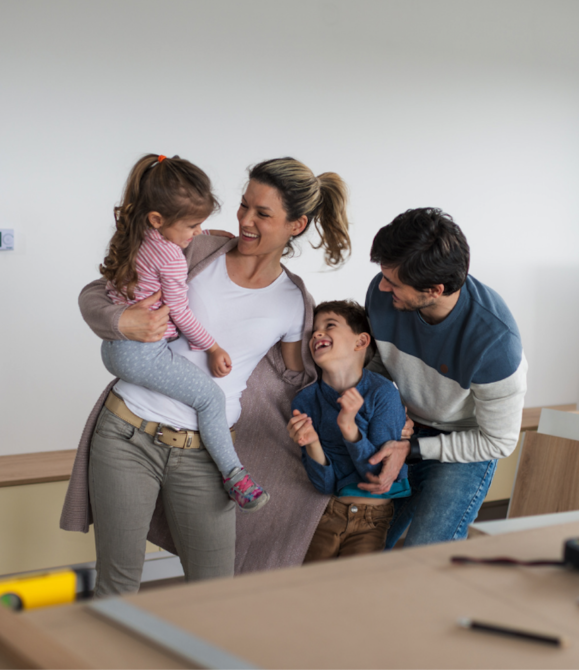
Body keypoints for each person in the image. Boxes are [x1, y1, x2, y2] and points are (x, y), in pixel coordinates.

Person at [60, 157, 352, 596]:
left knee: (215, 593)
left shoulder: (294, 302)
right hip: (126, 433)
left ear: (296, 225)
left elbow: (296, 382)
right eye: (243, 205)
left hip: (206, 454)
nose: (244, 221)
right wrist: (124, 323)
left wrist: (362, 398)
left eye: (262, 213)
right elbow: (94, 295)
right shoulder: (196, 250)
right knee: (117, 585)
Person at [99, 153, 266, 511]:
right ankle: (235, 476)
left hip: (115, 345)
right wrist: (212, 347)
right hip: (140, 352)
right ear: (159, 219)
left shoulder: (136, 229)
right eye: (192, 227)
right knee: (211, 400)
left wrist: (204, 233)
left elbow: (170, 235)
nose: (194, 234)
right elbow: (180, 311)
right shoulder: (172, 257)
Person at [358, 207, 527, 548]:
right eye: (383, 275)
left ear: (434, 289)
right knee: (361, 544)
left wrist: (413, 450)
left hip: (467, 440)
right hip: (406, 428)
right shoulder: (382, 294)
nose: (382, 286)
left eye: (394, 282)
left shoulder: (495, 342)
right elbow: (377, 368)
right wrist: (381, 413)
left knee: (425, 555)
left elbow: (500, 442)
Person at [287, 300, 409, 562]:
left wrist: (349, 427)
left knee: (354, 595)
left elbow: (378, 476)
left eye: (329, 326)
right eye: (313, 331)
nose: (317, 333)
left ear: (361, 342)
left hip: (372, 520)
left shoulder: (383, 393)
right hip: (327, 513)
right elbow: (325, 484)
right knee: (309, 592)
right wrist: (313, 444)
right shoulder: (305, 401)